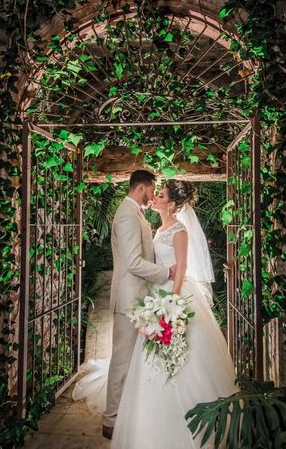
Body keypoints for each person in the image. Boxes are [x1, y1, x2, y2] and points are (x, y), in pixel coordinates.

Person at [109, 178, 237, 449]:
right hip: (156, 295)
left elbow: (182, 268)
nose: (155, 197)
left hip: (172, 296)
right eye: (156, 192)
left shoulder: (180, 230)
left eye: (162, 195)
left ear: (172, 204)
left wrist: (174, 304)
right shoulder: (158, 227)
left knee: (181, 355)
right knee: (149, 358)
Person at [101, 170, 177, 439]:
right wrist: (166, 273)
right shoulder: (126, 215)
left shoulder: (135, 214)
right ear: (142, 187)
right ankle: (111, 420)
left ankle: (125, 413)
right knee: (122, 360)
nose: (153, 195)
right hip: (128, 299)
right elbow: (133, 262)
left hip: (139, 298)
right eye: (152, 189)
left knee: (132, 359)